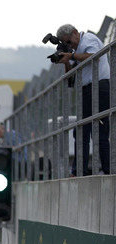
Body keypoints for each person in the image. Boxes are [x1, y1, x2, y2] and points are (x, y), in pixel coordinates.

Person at [57, 24, 110, 176]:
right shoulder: (76, 50)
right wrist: (66, 60)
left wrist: (71, 56)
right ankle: (81, 170)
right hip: (88, 90)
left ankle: (104, 169)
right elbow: (70, 76)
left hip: (99, 87)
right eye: (67, 44)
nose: (70, 45)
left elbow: (95, 56)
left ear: (75, 33)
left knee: (95, 131)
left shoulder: (88, 40)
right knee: (82, 131)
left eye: (69, 42)